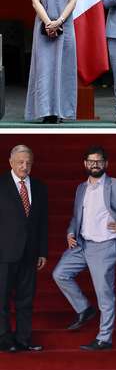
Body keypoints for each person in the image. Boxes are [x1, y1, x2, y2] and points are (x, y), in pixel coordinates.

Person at [52, 146, 116, 350]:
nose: (95, 164)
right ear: (85, 164)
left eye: (99, 161)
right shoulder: (81, 188)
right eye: (91, 161)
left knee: (104, 294)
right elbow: (77, 217)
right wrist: (70, 233)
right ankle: (84, 309)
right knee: (60, 273)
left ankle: (104, 338)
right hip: (81, 244)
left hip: (105, 245)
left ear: (106, 164)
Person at [25, 0, 79, 124]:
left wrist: (59, 21)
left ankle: (61, 110)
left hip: (65, 27)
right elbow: (35, 1)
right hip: (44, 27)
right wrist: (48, 22)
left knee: (64, 69)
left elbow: (73, 1)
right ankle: (46, 111)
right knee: (45, 69)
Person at [0, 145, 48, 352]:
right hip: (4, 252)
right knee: (1, 299)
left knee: (26, 299)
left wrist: (42, 251)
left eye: (28, 162)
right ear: (10, 162)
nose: (24, 166)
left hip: (30, 253)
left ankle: (23, 339)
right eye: (20, 162)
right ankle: (4, 340)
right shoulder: (0, 184)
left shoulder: (39, 187)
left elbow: (43, 222)